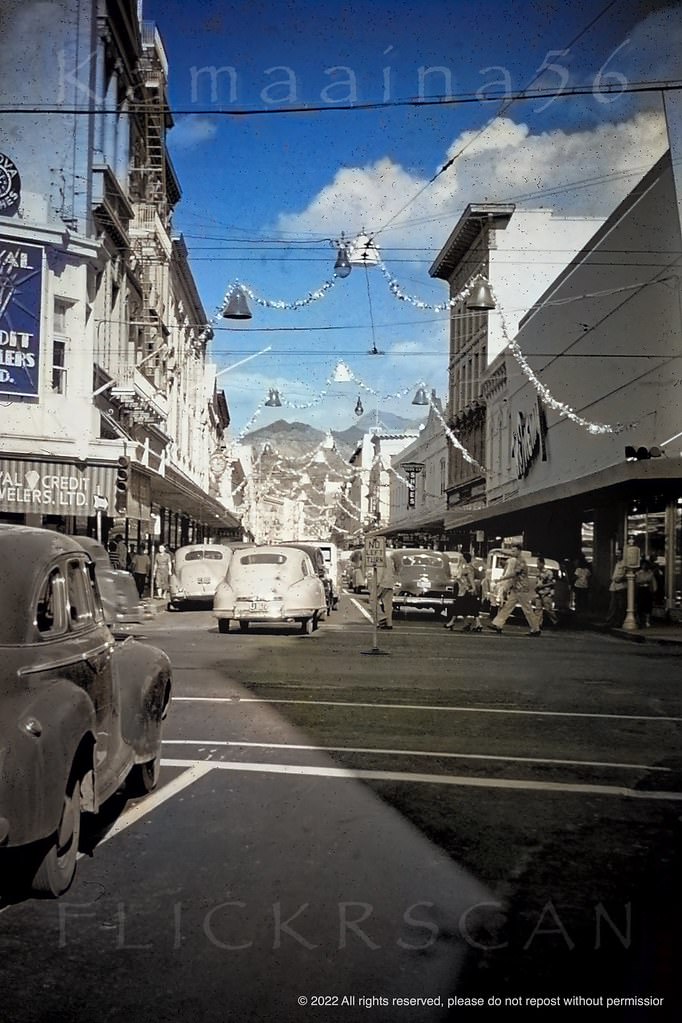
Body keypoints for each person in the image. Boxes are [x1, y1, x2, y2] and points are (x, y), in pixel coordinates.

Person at [487, 544, 541, 636]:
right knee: (507, 607)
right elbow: (510, 555)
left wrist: (501, 579)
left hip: (522, 589)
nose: (512, 553)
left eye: (514, 551)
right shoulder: (518, 560)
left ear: (519, 551)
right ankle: (498, 624)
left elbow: (513, 574)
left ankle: (536, 629)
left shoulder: (521, 562)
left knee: (527, 610)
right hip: (516, 588)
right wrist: (500, 551)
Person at [445, 552, 483, 632]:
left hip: (465, 590)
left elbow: (470, 578)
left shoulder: (468, 567)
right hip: (463, 589)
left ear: (465, 558)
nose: (460, 558)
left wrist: (473, 587)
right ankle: (473, 624)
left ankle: (452, 622)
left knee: (459, 606)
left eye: (462, 557)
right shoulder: (464, 566)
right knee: (468, 608)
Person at [369, 549, 396, 630]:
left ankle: (381, 618)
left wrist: (376, 584)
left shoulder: (379, 559)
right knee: (388, 604)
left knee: (373, 599)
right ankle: (389, 623)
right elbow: (393, 570)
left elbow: (379, 573)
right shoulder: (389, 559)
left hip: (383, 583)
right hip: (390, 583)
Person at [534, 556, 558, 627]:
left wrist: (543, 586)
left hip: (546, 593)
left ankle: (555, 622)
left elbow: (553, 582)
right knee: (538, 609)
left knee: (548, 609)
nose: (537, 565)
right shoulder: (538, 572)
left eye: (538, 564)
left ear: (542, 564)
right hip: (539, 593)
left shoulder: (548, 572)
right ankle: (538, 624)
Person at [604, 557, 627, 628]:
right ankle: (610, 621)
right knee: (613, 605)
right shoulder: (617, 563)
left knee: (620, 605)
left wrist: (621, 579)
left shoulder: (625, 563)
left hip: (621, 586)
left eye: (619, 553)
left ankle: (618, 622)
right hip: (614, 586)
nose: (618, 555)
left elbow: (627, 574)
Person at [635, 558, 657, 628]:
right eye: (643, 565)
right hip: (640, 589)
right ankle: (639, 620)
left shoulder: (650, 573)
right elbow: (638, 581)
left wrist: (654, 590)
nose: (644, 566)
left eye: (646, 565)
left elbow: (652, 581)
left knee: (648, 605)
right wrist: (645, 581)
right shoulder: (638, 573)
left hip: (647, 590)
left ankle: (647, 621)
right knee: (640, 605)